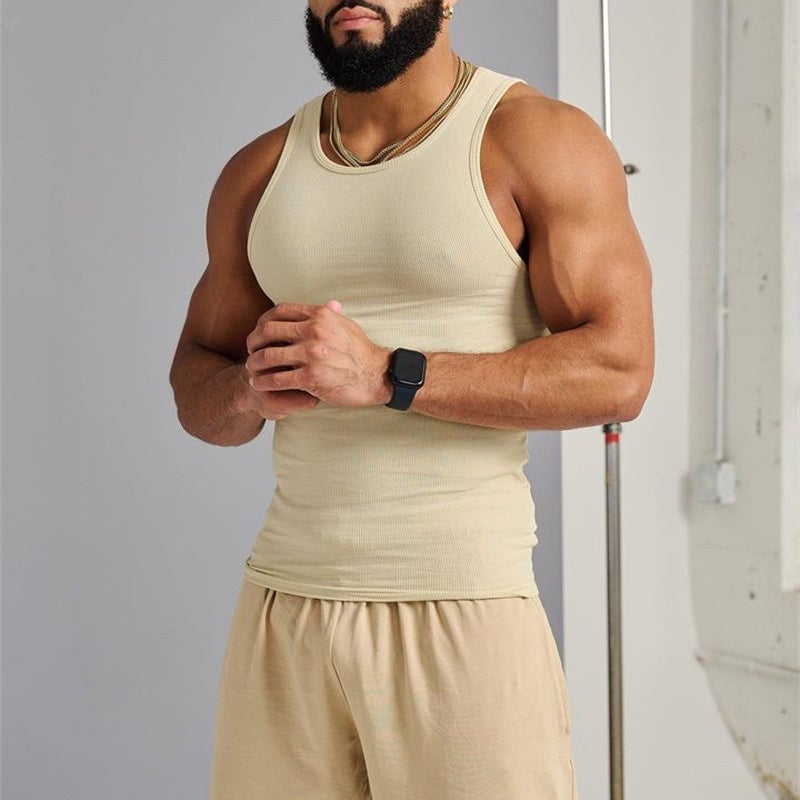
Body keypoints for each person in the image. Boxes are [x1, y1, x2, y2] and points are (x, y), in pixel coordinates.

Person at [168, 1, 654, 798]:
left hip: (460, 602)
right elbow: (198, 395)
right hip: (285, 606)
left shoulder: (535, 139)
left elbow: (619, 372)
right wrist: (248, 387)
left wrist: (388, 374)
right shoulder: (259, 172)